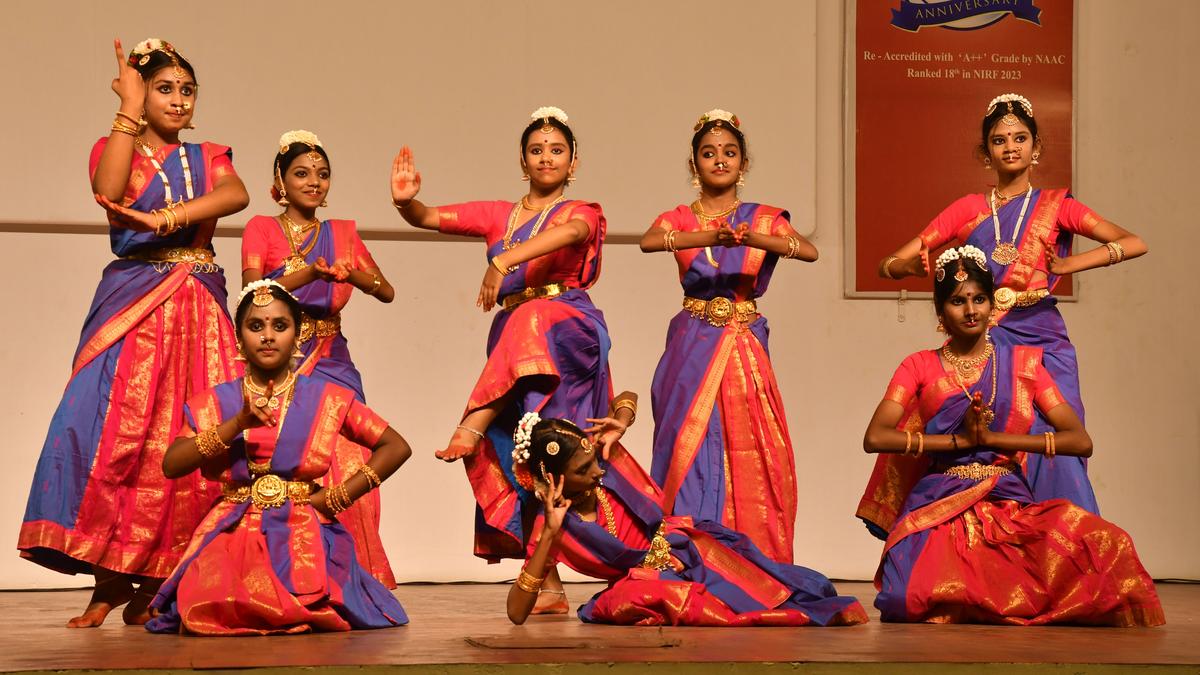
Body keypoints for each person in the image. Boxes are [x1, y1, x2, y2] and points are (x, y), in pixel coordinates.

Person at [18, 37, 250, 627]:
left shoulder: (208, 157)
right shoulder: (111, 143)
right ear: (140, 93)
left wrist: (167, 218)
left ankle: (159, 583)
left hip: (197, 308)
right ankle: (107, 579)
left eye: (186, 90)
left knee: (191, 436)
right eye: (163, 88)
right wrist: (127, 106)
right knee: (110, 432)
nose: (177, 100)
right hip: (134, 302)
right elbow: (110, 188)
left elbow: (235, 195)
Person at [870, 93, 1148, 516]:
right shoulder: (967, 209)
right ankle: (996, 541)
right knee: (989, 442)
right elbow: (889, 262)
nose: (1011, 147)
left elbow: (1133, 242)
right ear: (986, 153)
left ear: (1037, 147)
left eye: (1021, 138)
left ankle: (1063, 543)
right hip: (985, 341)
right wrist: (904, 268)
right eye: (1000, 140)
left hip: (1043, 339)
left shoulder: (1059, 207)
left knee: (1056, 440)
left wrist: (1074, 262)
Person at [860, 246, 1163, 625]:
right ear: (940, 312)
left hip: (1009, 507)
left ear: (992, 305)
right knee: (906, 597)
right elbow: (876, 436)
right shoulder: (918, 365)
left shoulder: (1025, 364)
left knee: (1107, 546)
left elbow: (1079, 440)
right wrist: (959, 443)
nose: (971, 311)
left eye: (979, 299)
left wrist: (994, 441)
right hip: (939, 506)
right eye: (957, 301)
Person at [390, 106, 607, 611]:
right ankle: (547, 582)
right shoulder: (498, 214)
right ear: (523, 159)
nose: (546, 157)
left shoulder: (584, 211)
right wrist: (406, 203)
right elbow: (428, 217)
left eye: (557, 150)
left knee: (562, 444)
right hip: (513, 345)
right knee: (529, 455)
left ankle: (474, 419)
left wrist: (504, 258)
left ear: (573, 161)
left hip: (567, 332)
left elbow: (573, 236)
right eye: (537, 150)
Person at [147, 280, 411, 635]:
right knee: (208, 605)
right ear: (239, 338)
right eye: (256, 326)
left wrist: (335, 498)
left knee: (311, 599)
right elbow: (172, 464)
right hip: (233, 528)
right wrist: (235, 424)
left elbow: (396, 447)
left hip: (303, 529)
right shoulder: (216, 401)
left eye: (280, 325)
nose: (268, 336)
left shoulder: (327, 397)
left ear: (298, 335)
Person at [638, 110, 817, 563]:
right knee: (687, 442)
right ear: (694, 164)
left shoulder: (763, 217)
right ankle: (685, 550)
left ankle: (749, 554)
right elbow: (648, 242)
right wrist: (709, 235)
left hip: (741, 341)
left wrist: (752, 240)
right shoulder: (676, 217)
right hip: (690, 342)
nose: (720, 160)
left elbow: (808, 251)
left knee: (748, 443)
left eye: (730, 152)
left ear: (744, 162)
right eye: (709, 153)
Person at [506, 408, 868, 627]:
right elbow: (516, 614)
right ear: (555, 478)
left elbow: (627, 400)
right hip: (646, 583)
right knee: (700, 604)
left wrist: (620, 419)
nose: (599, 471)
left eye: (595, 461)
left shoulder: (607, 466)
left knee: (796, 587)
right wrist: (551, 534)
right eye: (585, 469)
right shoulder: (551, 526)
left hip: (683, 546)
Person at [240, 130, 396, 587]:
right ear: (280, 182)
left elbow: (386, 291)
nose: (314, 182)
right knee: (274, 463)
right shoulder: (262, 228)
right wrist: (312, 271)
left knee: (349, 462)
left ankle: (354, 575)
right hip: (277, 359)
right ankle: (279, 575)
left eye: (322, 174)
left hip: (332, 360)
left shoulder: (342, 233)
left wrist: (358, 275)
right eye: (302, 174)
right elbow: (255, 290)